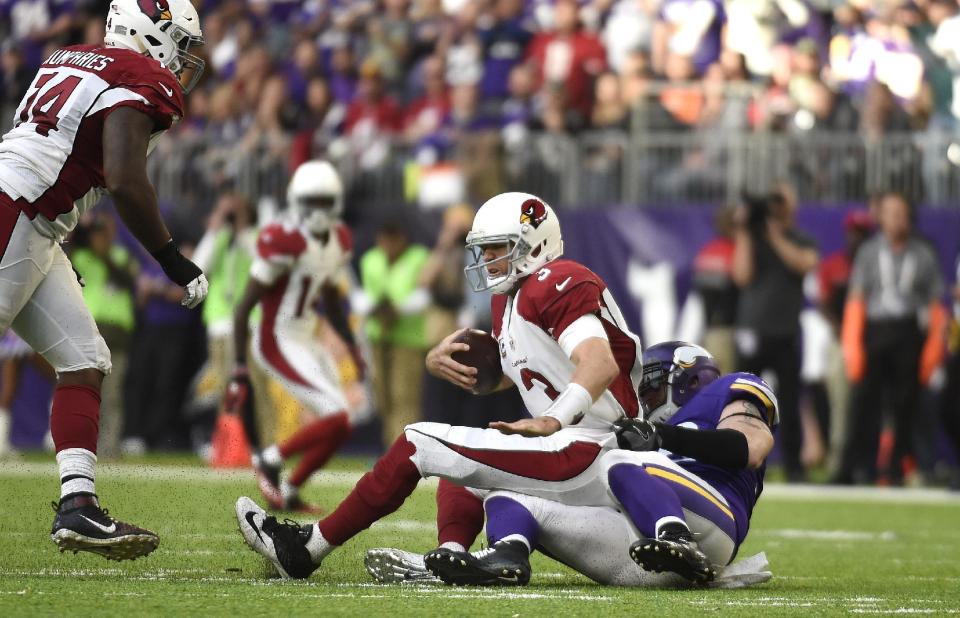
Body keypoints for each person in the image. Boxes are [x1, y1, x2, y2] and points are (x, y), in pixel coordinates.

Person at [233, 191, 644, 580]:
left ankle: (307, 548)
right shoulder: (510, 299)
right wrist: (441, 362)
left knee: (418, 440)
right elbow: (527, 374)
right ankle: (451, 556)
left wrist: (553, 420)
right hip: (575, 446)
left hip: (595, 445)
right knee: (458, 462)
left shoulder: (557, 278)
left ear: (533, 245)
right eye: (483, 249)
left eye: (496, 248)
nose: (485, 259)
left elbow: (599, 362)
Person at [0, 0, 208, 560]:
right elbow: (124, 177)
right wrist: (172, 260)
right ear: (152, 33)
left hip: (34, 220)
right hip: (16, 211)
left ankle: (77, 506)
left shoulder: (65, 56)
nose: (185, 62)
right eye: (181, 45)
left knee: (83, 358)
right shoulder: (139, 74)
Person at [368, 342, 777, 588]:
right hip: (646, 556)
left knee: (614, 459)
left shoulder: (729, 388)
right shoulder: (644, 446)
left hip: (711, 521)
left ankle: (677, 538)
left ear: (686, 379)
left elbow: (750, 447)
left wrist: (665, 438)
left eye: (649, 387)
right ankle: (502, 556)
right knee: (507, 487)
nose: (645, 399)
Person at [228, 160, 362, 513]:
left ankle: (288, 490)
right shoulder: (283, 238)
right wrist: (240, 367)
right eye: (311, 201)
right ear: (296, 201)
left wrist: (350, 344)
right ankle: (270, 459)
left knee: (342, 424)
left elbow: (332, 300)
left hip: (306, 337)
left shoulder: (339, 240)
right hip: (277, 338)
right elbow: (243, 308)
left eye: (324, 201)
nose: (318, 210)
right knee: (335, 416)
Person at [836, 192, 947, 485]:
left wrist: (933, 348)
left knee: (904, 402)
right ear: (880, 216)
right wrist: (853, 343)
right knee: (863, 402)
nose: (896, 219)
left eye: (901, 213)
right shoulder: (869, 252)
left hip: (907, 332)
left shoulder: (923, 253)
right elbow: (857, 298)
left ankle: (897, 467)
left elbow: (935, 303)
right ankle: (855, 467)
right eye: (890, 212)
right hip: (876, 330)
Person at [731, 185, 818, 482]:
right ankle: (737, 460)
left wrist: (774, 234)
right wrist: (744, 230)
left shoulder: (798, 238)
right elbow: (741, 276)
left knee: (790, 402)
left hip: (785, 332)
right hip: (753, 330)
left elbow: (804, 263)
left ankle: (794, 465)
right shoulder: (752, 238)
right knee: (742, 400)